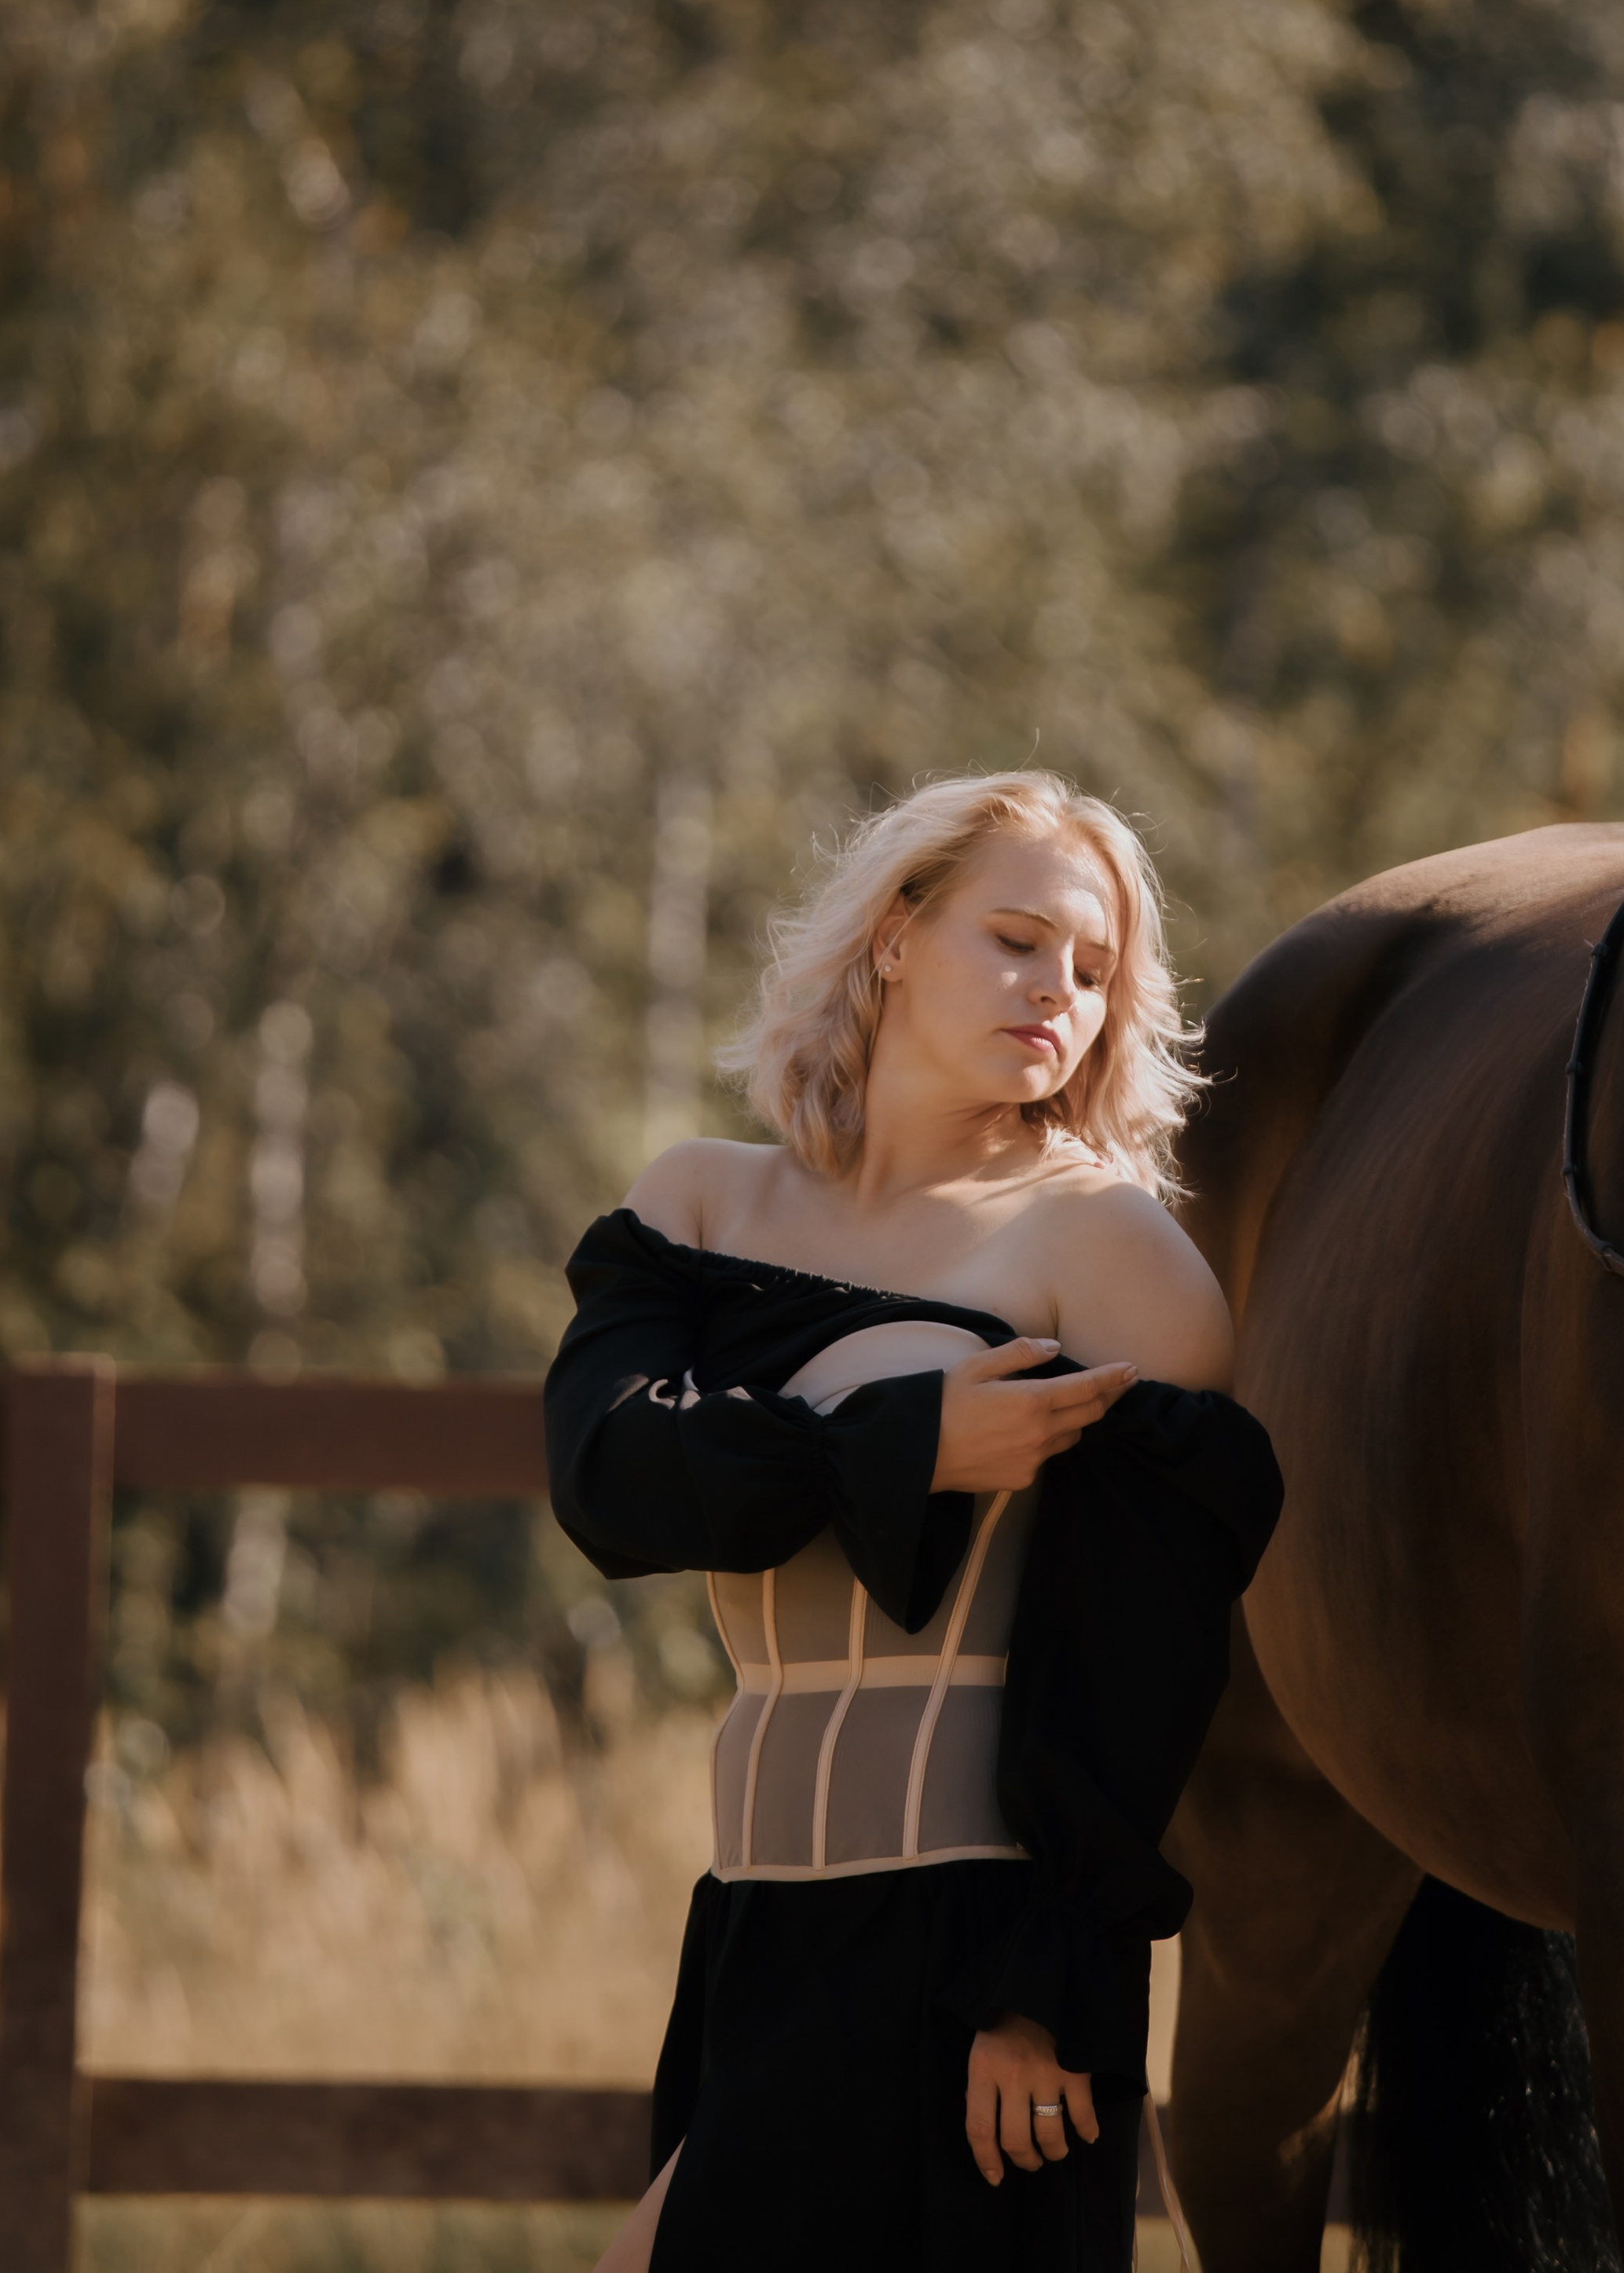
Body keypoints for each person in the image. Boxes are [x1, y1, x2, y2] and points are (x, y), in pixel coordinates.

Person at [544, 770, 1282, 2271]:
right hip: (755, 1922)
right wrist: (911, 1441)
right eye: (1018, 940)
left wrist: (1040, 1993)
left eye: (1094, 973)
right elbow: (612, 1481)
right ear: (895, 933)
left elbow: (1138, 1680)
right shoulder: (698, 1209)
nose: (1057, 994)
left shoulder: (1110, 1254)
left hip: (981, 1954)